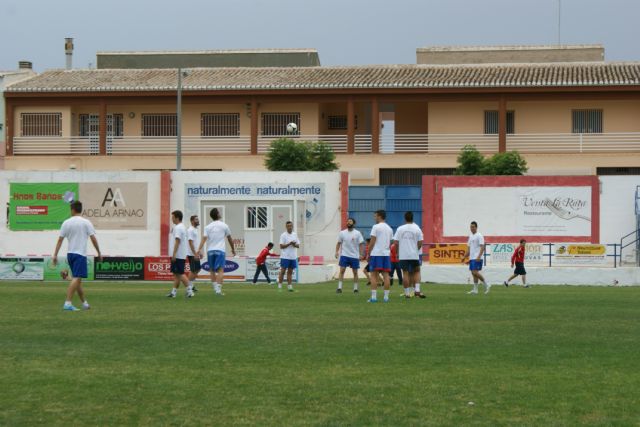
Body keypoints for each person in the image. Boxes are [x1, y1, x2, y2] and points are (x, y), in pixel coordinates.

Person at [53, 200, 102, 311]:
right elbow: (93, 239)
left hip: (70, 254)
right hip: (80, 254)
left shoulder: (66, 222)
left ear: (72, 210)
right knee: (77, 279)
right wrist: (99, 252)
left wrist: (55, 255)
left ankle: (84, 303)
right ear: (80, 209)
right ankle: (68, 303)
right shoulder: (86, 222)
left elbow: (60, 240)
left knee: (77, 280)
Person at [197, 208, 236, 296]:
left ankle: (215, 288)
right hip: (220, 250)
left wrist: (199, 249)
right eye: (219, 212)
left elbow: (204, 238)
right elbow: (229, 238)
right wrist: (233, 249)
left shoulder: (208, 227)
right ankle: (218, 290)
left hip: (210, 251)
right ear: (217, 214)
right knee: (220, 270)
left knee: (211, 270)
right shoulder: (224, 225)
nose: (220, 213)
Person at [394, 211, 425, 299]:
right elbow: (420, 242)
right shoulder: (417, 228)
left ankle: (407, 294)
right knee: (417, 271)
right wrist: (416, 250)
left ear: (405, 218)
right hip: (414, 254)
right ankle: (417, 291)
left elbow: (396, 242)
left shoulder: (400, 228)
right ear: (412, 218)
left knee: (405, 273)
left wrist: (397, 253)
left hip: (403, 255)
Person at [366, 209, 394, 303]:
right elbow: (390, 242)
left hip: (376, 253)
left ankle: (374, 298)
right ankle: (386, 298)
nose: (374, 218)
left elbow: (372, 241)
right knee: (386, 275)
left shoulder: (376, 227)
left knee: (373, 275)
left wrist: (368, 253)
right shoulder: (389, 228)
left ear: (379, 216)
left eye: (375, 216)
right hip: (386, 254)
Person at [166, 210, 194, 298]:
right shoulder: (181, 227)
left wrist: (174, 254)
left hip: (178, 254)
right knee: (177, 274)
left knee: (180, 273)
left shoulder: (178, 228)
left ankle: (190, 291)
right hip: (180, 254)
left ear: (177, 218)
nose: (172, 219)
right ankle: (173, 293)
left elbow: (177, 241)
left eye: (173, 217)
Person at [335, 217, 365, 294]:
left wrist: (361, 254)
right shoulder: (342, 233)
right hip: (344, 255)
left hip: (354, 256)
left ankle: (355, 289)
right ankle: (339, 288)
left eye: (350, 221)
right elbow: (338, 243)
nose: (348, 222)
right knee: (342, 270)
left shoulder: (357, 233)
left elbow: (361, 244)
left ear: (353, 223)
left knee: (355, 272)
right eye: (348, 221)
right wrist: (336, 252)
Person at [462, 221, 491, 295]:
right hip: (472, 258)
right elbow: (468, 249)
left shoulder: (479, 235)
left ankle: (487, 284)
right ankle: (475, 290)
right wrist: (464, 257)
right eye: (471, 227)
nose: (471, 228)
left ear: (476, 227)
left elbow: (482, 247)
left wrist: (478, 256)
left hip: (477, 257)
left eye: (473, 227)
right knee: (473, 273)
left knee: (475, 272)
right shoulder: (470, 236)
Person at [278, 221, 300, 292]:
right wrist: (289, 243)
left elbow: (298, 245)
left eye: (290, 226)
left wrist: (294, 245)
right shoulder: (283, 235)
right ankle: (280, 286)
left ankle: (290, 287)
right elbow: (281, 246)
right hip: (285, 256)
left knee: (290, 272)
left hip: (293, 256)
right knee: (283, 271)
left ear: (292, 226)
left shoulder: (295, 234)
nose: (289, 227)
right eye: (288, 226)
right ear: (286, 227)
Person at [186, 215, 201, 292]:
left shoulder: (195, 229)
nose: (198, 221)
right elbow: (190, 242)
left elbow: (196, 243)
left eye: (198, 219)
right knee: (193, 270)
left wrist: (199, 252)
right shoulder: (190, 230)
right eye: (196, 219)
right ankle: (189, 287)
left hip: (195, 253)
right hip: (192, 254)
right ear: (192, 221)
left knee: (197, 269)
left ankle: (191, 285)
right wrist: (195, 253)